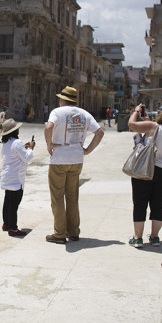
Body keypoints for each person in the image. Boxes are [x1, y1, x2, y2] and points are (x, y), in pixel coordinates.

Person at [44, 86, 105, 244]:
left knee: (57, 197)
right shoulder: (84, 114)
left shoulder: (57, 112)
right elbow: (100, 132)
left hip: (59, 159)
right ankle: (74, 231)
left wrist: (49, 144)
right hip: (77, 159)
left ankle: (59, 233)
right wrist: (87, 150)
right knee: (72, 197)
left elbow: (48, 127)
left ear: (63, 99)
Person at [127, 105, 162, 248]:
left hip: (145, 168)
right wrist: (147, 120)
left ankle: (138, 238)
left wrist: (137, 111)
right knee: (158, 203)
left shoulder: (152, 126)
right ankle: (155, 237)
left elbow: (131, 124)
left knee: (140, 202)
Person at [0, 118, 35, 237]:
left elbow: (15, 154)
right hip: (16, 178)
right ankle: (13, 229)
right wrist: (30, 148)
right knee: (14, 204)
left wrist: (24, 148)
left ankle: (6, 224)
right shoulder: (17, 142)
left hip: (7, 176)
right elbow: (27, 158)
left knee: (8, 201)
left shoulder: (6, 143)